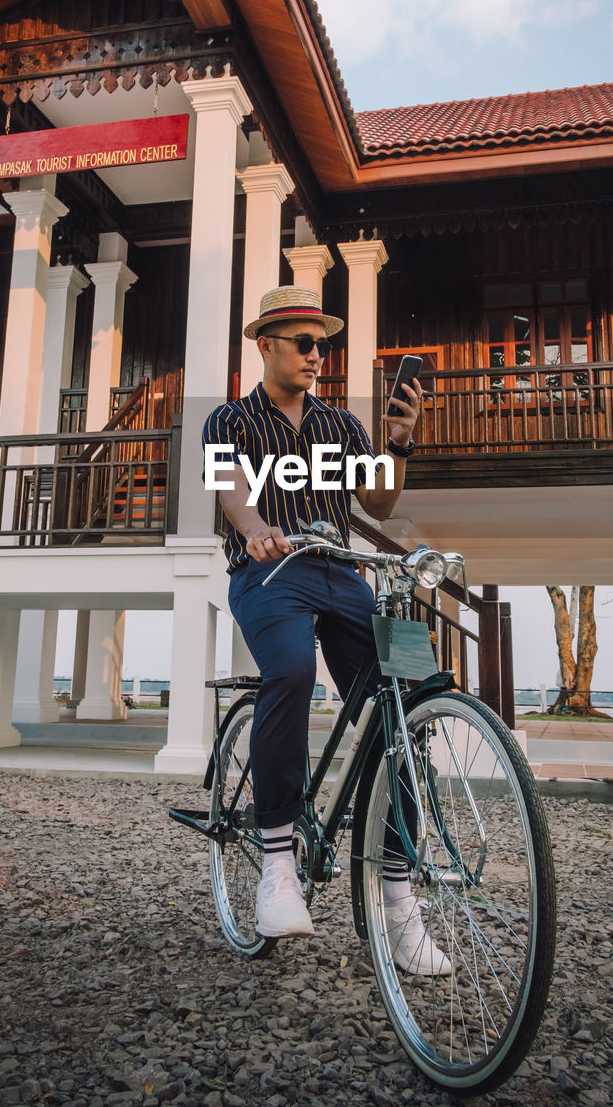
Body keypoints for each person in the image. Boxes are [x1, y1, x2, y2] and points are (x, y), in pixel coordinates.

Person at [202, 285, 451, 976]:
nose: (317, 355)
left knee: (399, 706)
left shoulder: (342, 426)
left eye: (322, 344)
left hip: (342, 574)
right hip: (270, 573)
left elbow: (377, 497)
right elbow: (229, 489)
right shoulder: (230, 420)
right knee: (290, 671)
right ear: (266, 345)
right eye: (303, 343)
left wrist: (399, 440)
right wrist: (254, 533)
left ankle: (398, 902)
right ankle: (276, 863)